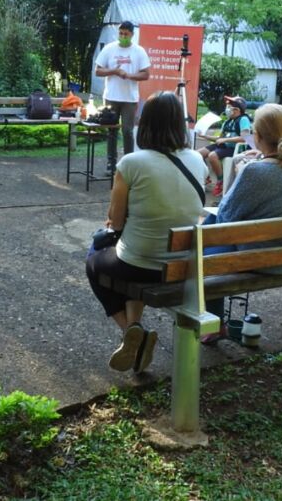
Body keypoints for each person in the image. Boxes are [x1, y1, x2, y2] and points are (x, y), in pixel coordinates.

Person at [86, 92, 206, 373]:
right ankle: (135, 331)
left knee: (95, 261)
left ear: (146, 123)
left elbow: (115, 223)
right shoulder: (198, 160)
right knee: (131, 252)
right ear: (179, 124)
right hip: (181, 264)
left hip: (140, 264)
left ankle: (130, 331)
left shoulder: (131, 163)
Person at [200, 104, 282, 343]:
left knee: (207, 242)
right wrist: (262, 160)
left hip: (264, 258)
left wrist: (241, 170)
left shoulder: (255, 172)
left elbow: (226, 217)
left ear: (257, 136)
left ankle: (214, 324)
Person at [94, 20, 151, 173]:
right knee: (111, 130)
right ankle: (110, 164)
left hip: (130, 98)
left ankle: (128, 164)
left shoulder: (139, 51)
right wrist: (114, 71)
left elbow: (146, 74)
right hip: (111, 96)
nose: (122, 36)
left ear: (132, 34)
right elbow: (98, 71)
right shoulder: (109, 48)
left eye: (126, 34)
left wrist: (129, 75)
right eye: (120, 33)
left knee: (127, 131)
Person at [197, 95, 252, 197]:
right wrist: (204, 136)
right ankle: (206, 177)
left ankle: (221, 181)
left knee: (212, 155)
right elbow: (219, 139)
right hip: (224, 146)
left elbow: (245, 138)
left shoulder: (243, 119)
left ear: (237, 109)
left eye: (229, 107)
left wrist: (226, 139)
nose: (227, 109)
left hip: (235, 148)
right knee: (198, 154)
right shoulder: (227, 122)